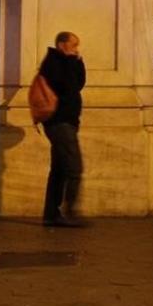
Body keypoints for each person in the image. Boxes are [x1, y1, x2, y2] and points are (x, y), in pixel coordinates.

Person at [39, 31, 86, 227]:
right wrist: (70, 62)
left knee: (59, 169)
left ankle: (51, 214)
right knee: (75, 168)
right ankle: (71, 211)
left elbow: (79, 85)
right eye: (73, 45)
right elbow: (66, 86)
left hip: (67, 122)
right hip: (59, 122)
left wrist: (78, 62)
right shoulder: (53, 63)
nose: (76, 49)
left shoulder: (66, 62)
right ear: (61, 44)